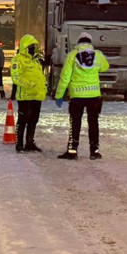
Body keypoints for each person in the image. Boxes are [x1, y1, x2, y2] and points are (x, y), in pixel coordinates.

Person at [54, 32, 110, 160]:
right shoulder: (98, 55)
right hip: (94, 95)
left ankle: (72, 151)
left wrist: (59, 95)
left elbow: (65, 77)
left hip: (77, 96)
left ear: (79, 42)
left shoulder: (72, 55)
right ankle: (94, 151)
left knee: (75, 123)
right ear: (90, 42)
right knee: (93, 123)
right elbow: (105, 67)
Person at [10, 34, 46, 153]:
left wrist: (43, 87)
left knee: (33, 120)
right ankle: (19, 143)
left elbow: (40, 76)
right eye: (31, 46)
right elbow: (16, 77)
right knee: (23, 120)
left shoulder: (35, 60)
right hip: (25, 96)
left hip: (37, 96)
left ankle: (30, 142)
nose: (33, 48)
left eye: (33, 46)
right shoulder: (18, 59)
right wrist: (29, 85)